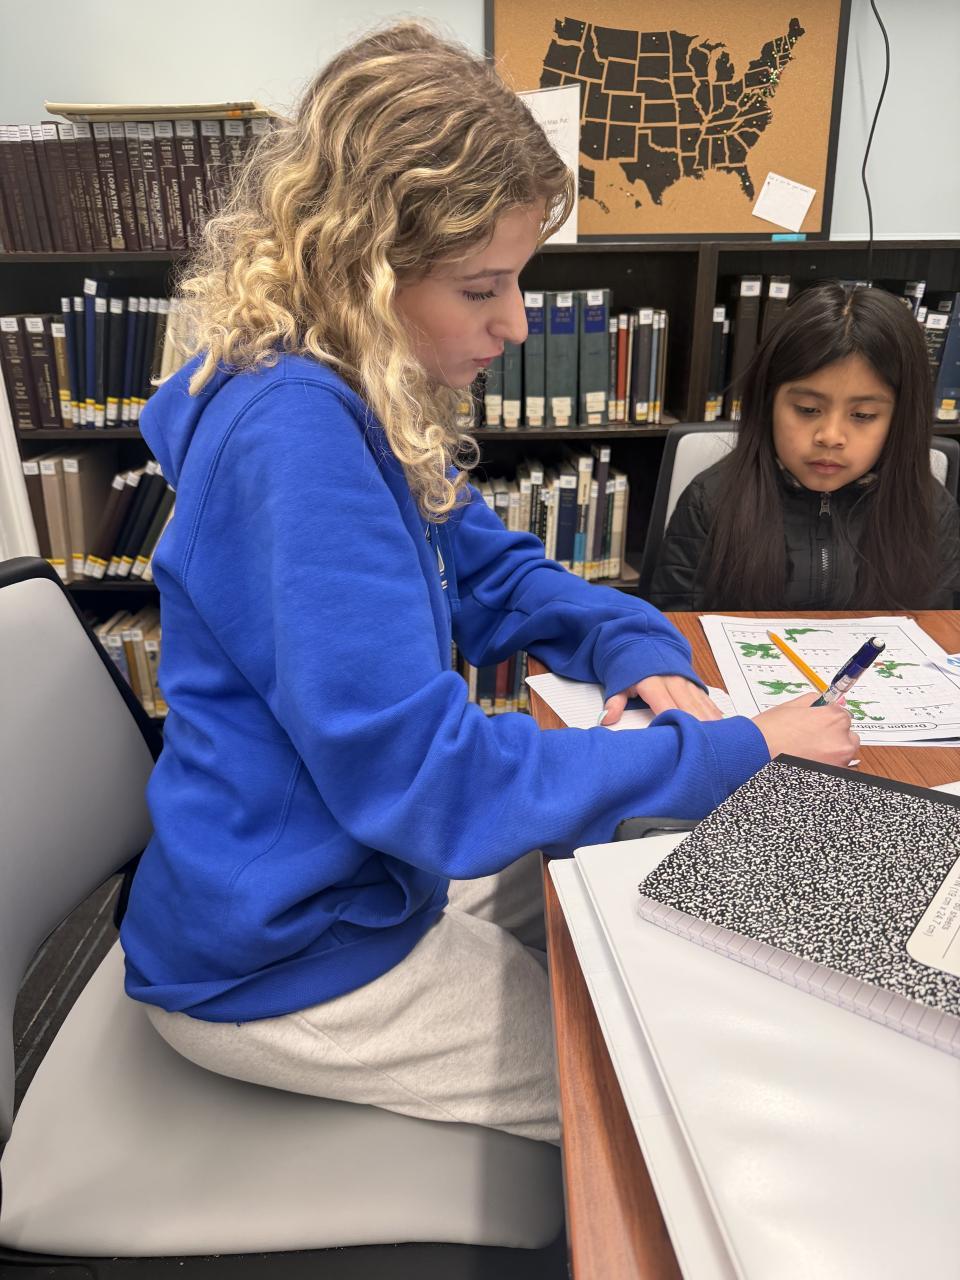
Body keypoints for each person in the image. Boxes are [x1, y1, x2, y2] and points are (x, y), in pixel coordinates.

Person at [118, 22, 858, 1146]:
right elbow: (436, 783)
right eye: (482, 288)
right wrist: (736, 751)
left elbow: (495, 574)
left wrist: (627, 644)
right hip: (283, 953)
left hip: (354, 871)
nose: (514, 324)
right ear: (362, 269)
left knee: (644, 896)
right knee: (668, 1101)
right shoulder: (297, 440)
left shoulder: (356, 389)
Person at [650, 282, 960, 612]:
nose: (830, 436)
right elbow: (675, 628)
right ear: (768, 402)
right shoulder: (710, 502)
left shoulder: (932, 511)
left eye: (863, 415)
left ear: (900, 419)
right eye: (808, 409)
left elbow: (938, 630)